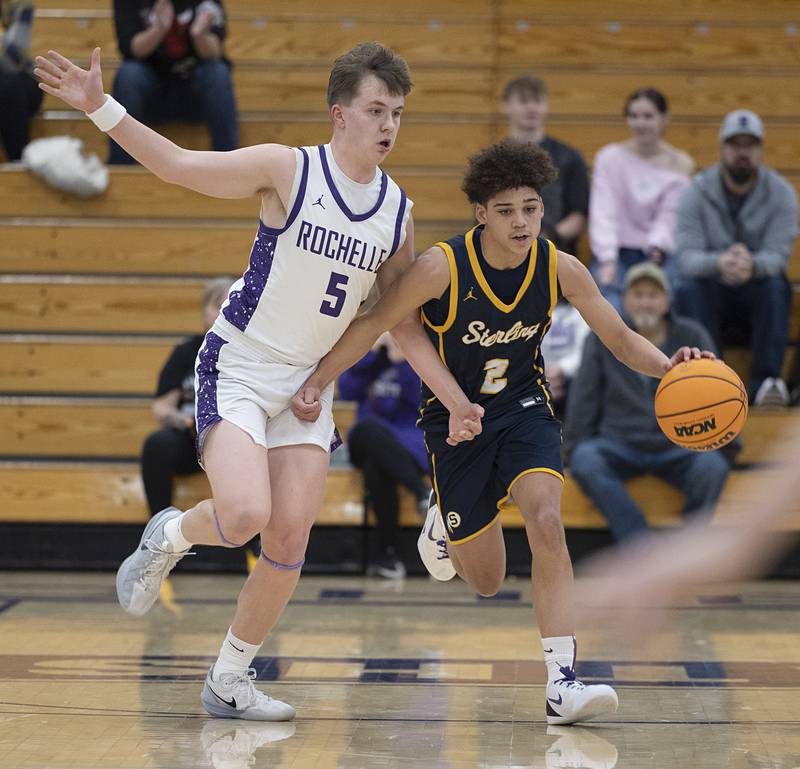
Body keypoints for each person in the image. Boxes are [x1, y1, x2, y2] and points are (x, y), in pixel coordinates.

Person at [34, 41, 483, 721]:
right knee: (245, 514)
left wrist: (455, 400)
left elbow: (400, 323)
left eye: (397, 113)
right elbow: (181, 166)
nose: (388, 124)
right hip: (240, 363)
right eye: (375, 110)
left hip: (309, 383)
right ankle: (170, 535)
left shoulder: (397, 213)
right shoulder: (288, 170)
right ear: (339, 114)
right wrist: (101, 108)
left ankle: (229, 679)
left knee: (289, 540)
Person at [291, 138, 714, 725]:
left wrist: (670, 368)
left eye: (531, 208)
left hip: (523, 408)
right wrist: (317, 381)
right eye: (507, 210)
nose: (521, 222)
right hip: (454, 421)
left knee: (547, 519)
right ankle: (443, 522)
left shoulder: (560, 268)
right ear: (481, 213)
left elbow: (620, 339)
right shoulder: (442, 266)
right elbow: (375, 323)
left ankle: (562, 681)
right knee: (487, 582)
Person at [565, 262, 731, 542]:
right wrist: (573, 448)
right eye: (638, 294)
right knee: (586, 460)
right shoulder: (601, 339)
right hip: (619, 443)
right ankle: (641, 548)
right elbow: (584, 397)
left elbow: (718, 397)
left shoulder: (693, 336)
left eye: (653, 295)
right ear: (624, 299)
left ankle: (687, 551)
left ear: (667, 301)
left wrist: (723, 447)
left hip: (678, 446)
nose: (645, 302)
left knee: (712, 467)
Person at [673, 109, 798, 407]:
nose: (742, 152)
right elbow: (686, 257)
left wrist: (751, 264)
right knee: (688, 287)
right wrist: (720, 263)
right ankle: (711, 380)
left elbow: (779, 255)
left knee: (776, 285)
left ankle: (766, 383)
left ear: (760, 149)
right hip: (712, 289)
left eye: (750, 145)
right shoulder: (696, 191)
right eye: (735, 144)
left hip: (756, 288)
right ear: (722, 148)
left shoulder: (781, 192)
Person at [589, 88, 693, 308]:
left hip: (660, 254)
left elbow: (669, 216)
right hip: (616, 251)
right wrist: (608, 259)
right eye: (634, 116)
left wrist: (654, 258)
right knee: (608, 304)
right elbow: (603, 212)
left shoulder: (681, 164)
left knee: (670, 297)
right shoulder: (609, 158)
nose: (640, 123)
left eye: (648, 116)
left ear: (664, 119)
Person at [338, 332, 430, 579]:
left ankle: (387, 556)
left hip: (406, 446)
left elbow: (421, 403)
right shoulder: (372, 361)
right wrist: (368, 351)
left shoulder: (420, 359)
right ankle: (422, 493)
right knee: (368, 429)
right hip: (366, 438)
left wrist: (402, 361)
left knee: (376, 467)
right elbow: (347, 391)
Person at [140, 277, 230, 516]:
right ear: (203, 311)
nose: (222, 312)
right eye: (216, 306)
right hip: (192, 441)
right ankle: (159, 527)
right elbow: (161, 407)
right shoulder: (186, 352)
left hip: (233, 441)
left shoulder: (250, 354)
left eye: (228, 305)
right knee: (157, 444)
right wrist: (184, 421)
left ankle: (255, 535)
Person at [109, 0, 238, 164]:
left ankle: (229, 166)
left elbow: (215, 53)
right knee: (129, 74)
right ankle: (121, 166)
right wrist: (158, 29)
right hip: (151, 95)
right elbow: (131, 49)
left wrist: (199, 35)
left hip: (194, 95)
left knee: (218, 73)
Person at [502, 74, 589, 255]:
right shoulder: (493, 160)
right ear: (506, 105)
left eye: (538, 101)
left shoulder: (569, 157)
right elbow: (484, 215)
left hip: (554, 250)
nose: (532, 107)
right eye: (524, 101)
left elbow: (579, 215)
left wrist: (545, 238)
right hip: (504, 249)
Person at [0, 0, 42, 161]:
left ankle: (17, 160)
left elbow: (14, 57)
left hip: (19, 79)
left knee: (9, 85)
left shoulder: (22, 5)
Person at [539, 295, 590, 420]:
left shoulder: (581, 314)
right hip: (542, 372)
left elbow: (583, 351)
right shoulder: (539, 312)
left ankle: (575, 425)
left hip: (572, 376)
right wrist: (545, 370)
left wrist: (561, 368)